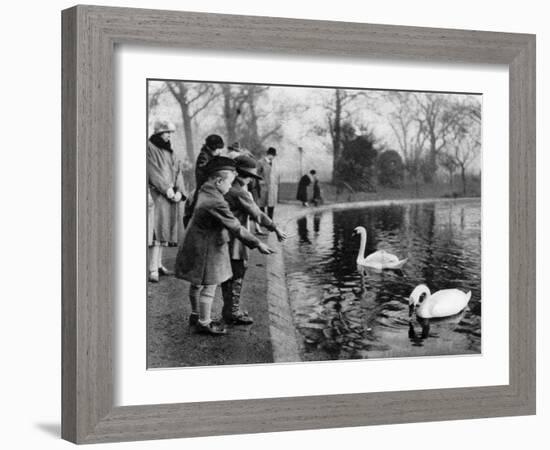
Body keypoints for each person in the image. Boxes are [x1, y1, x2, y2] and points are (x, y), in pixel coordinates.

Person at [175, 156, 274, 335]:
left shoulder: (201, 190)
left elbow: (186, 214)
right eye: (229, 182)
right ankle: (205, 323)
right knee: (210, 285)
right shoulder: (216, 201)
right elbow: (235, 226)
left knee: (196, 283)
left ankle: (195, 314)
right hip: (207, 247)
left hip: (193, 243)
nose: (230, 187)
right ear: (219, 180)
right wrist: (258, 243)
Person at [222, 155, 287, 325]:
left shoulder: (227, 189)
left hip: (224, 237)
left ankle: (228, 310)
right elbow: (257, 214)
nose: (251, 180)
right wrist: (275, 228)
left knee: (228, 276)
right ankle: (233, 312)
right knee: (238, 273)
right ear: (244, 176)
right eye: (250, 176)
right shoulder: (240, 192)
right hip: (236, 240)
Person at [147, 120, 186, 283]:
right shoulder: (150, 148)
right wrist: (167, 189)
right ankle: (152, 269)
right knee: (156, 231)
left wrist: (179, 190)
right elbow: (153, 171)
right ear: (158, 133)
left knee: (164, 231)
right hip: (156, 195)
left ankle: (159, 264)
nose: (169, 135)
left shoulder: (170, 150)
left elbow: (178, 170)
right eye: (166, 132)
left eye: (170, 133)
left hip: (169, 196)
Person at [183, 134, 225, 227]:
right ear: (212, 147)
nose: (220, 151)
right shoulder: (204, 156)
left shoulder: (211, 156)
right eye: (218, 148)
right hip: (204, 190)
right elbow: (205, 173)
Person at [257, 147, 280, 220]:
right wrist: (261, 181)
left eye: (273, 156)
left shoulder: (274, 163)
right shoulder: (260, 162)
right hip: (263, 186)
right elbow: (257, 174)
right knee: (262, 203)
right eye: (272, 155)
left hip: (272, 186)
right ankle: (263, 220)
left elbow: (276, 174)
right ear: (268, 154)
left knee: (271, 203)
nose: (272, 157)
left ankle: (270, 220)